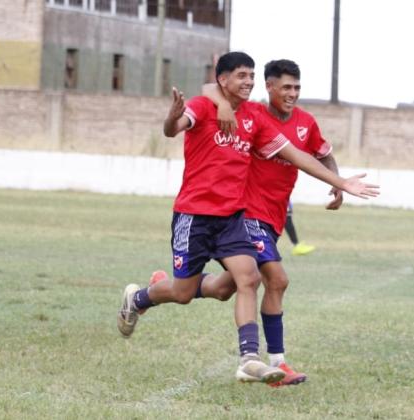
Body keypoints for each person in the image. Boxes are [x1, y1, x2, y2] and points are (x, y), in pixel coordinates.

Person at [115, 52, 379, 385]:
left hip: (232, 218)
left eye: (251, 76)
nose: (249, 82)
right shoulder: (203, 105)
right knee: (184, 292)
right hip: (194, 216)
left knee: (248, 279)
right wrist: (174, 117)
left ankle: (249, 359)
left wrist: (340, 182)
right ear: (223, 80)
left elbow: (297, 155)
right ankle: (140, 297)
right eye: (242, 76)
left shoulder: (256, 118)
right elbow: (174, 128)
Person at [188, 59, 341, 386]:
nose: (292, 93)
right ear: (269, 87)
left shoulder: (305, 122)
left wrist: (337, 183)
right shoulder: (254, 114)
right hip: (247, 213)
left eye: (297, 87)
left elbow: (322, 152)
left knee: (226, 287)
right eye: (286, 87)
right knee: (277, 279)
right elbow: (208, 88)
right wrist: (221, 106)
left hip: (273, 217)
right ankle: (276, 364)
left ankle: (163, 289)